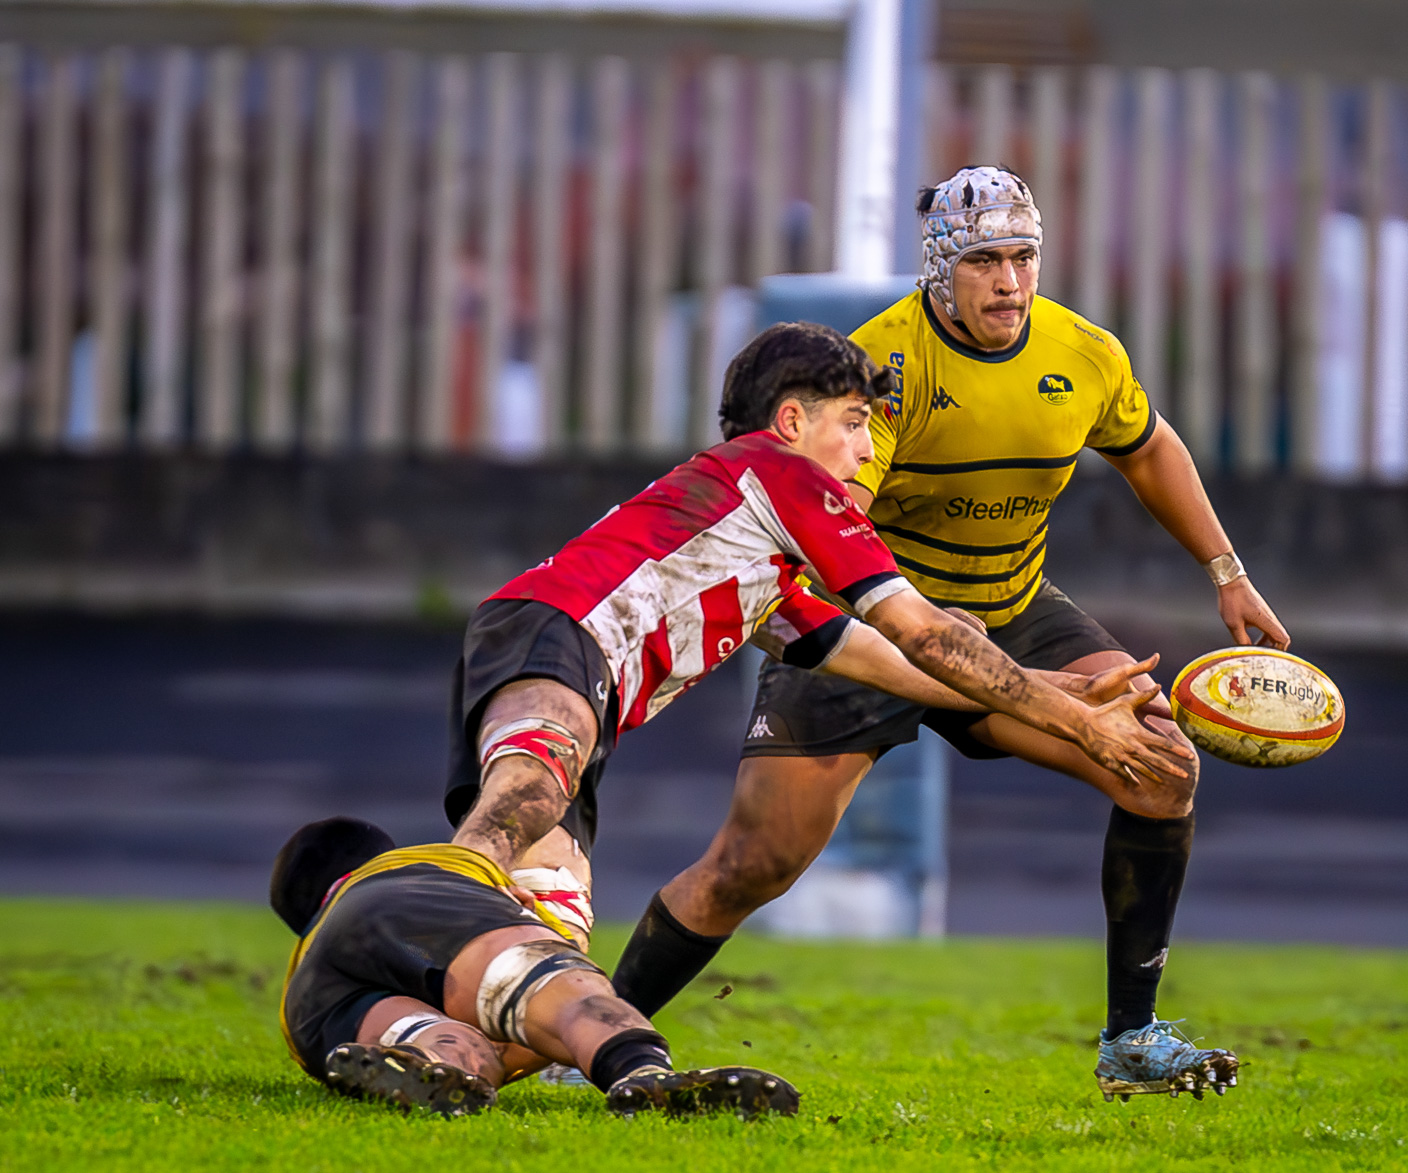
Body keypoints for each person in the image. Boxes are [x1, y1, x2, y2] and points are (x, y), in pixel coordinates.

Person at [609, 167, 1280, 1101]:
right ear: (938, 270)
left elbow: (1150, 445)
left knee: (1160, 764)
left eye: (1024, 257)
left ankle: (1132, 1038)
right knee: (750, 866)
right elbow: (831, 531)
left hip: (1011, 608)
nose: (1010, 283)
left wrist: (1229, 574)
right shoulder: (879, 369)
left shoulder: (1083, 353)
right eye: (985, 262)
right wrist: (927, 640)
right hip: (871, 623)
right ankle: (593, 1035)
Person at [439, 319, 1187, 947]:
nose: (867, 452)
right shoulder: (786, 475)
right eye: (856, 424)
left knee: (546, 937)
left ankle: (426, 1036)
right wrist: (1083, 729)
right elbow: (923, 636)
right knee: (525, 799)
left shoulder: (760, 563)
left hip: (569, 666)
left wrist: (1073, 690)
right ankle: (396, 926)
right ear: (793, 421)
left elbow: (895, 668)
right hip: (557, 638)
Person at [272, 816, 799, 1118]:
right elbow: (548, 866)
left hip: (311, 1004)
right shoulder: (419, 862)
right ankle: (644, 1073)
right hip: (403, 905)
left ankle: (432, 1057)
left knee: (440, 1035)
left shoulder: (307, 950)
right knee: (557, 996)